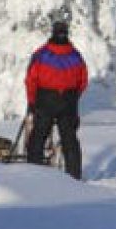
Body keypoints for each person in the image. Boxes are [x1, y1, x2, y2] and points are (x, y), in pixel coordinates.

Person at [25, 20, 88, 180]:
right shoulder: (76, 55)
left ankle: (33, 172)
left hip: (46, 99)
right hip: (68, 100)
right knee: (70, 140)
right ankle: (74, 176)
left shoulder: (41, 54)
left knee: (38, 137)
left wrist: (32, 101)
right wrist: (72, 97)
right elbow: (83, 81)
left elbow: (31, 80)